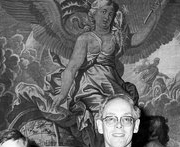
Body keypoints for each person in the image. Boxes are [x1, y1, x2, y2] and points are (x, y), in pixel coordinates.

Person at [50, 0, 138, 130]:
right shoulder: (85, 38)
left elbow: (138, 39)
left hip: (112, 85)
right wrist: (63, 94)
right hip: (89, 87)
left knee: (123, 111)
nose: (107, 17)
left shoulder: (116, 38)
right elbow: (72, 68)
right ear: (94, 13)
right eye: (104, 12)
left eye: (111, 14)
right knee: (104, 116)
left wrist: (155, 15)